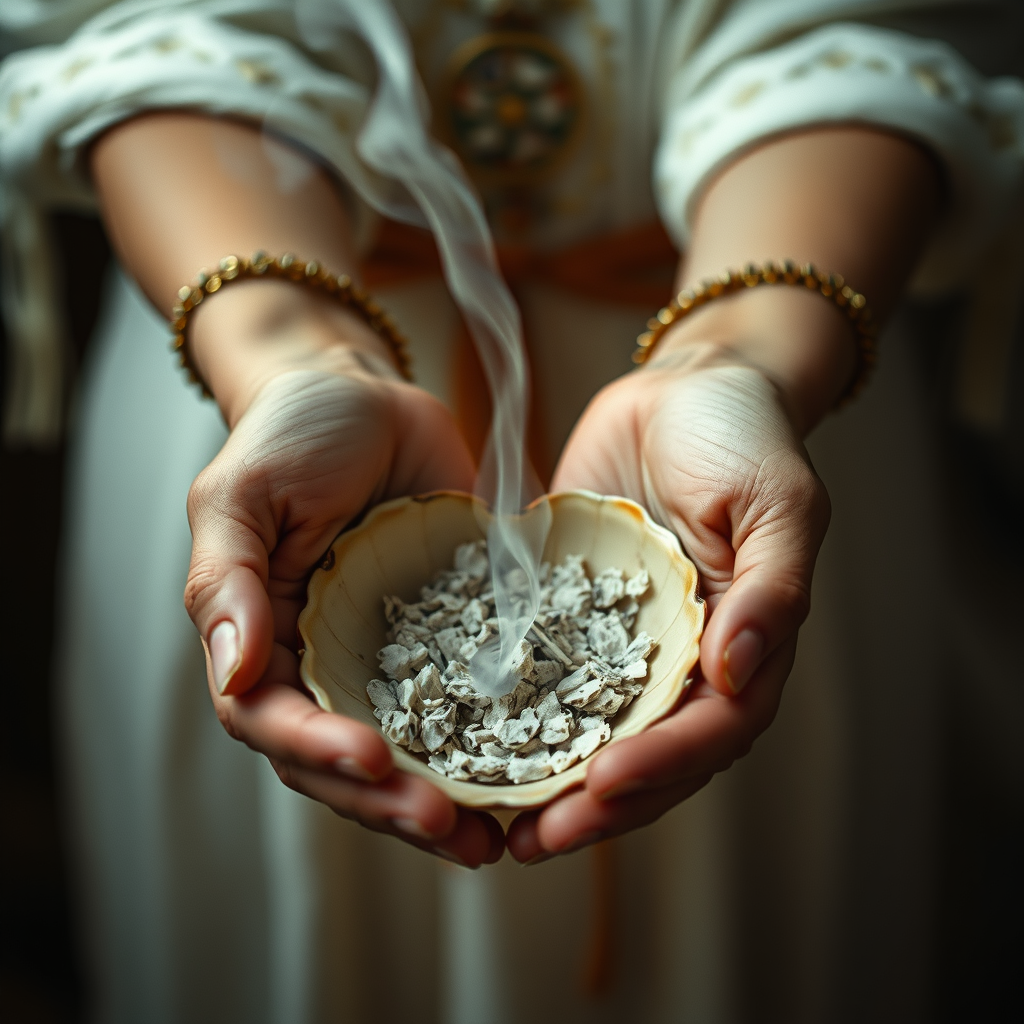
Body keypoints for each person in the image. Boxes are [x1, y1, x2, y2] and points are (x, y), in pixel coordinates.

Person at [1, 1, 1021, 1020]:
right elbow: (141, 24)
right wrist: (286, 351)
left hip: (753, 395)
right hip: (258, 388)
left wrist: (738, 357)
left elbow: (864, 32)